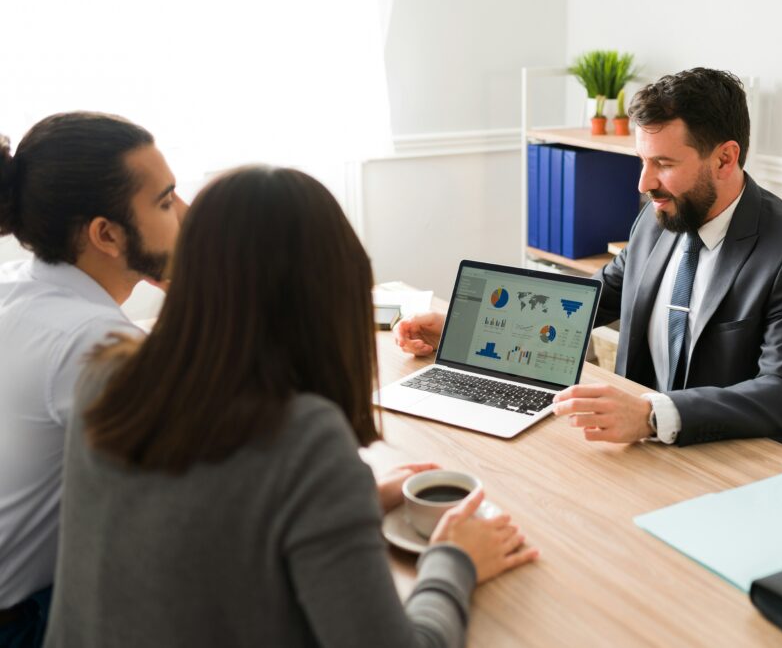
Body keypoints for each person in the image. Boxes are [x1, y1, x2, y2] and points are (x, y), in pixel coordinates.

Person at [44, 166, 538, 648]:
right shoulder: (304, 436)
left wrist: (351, 500)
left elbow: (209, 525)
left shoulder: (105, 373)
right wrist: (454, 559)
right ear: (331, 291)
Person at [395, 68, 782, 456]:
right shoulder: (658, 216)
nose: (645, 184)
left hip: (737, 462)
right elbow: (591, 299)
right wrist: (460, 327)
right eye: (642, 161)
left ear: (725, 158)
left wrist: (650, 414)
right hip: (645, 452)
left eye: (663, 163)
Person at [0, 112, 186, 647]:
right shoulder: (91, 342)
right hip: (24, 624)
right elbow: (232, 459)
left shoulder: (23, 287)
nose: (181, 216)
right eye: (166, 201)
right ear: (106, 234)